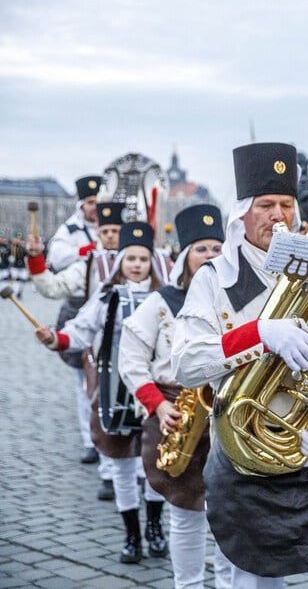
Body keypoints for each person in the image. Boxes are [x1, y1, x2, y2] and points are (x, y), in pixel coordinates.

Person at [171, 142, 308, 587]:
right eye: (265, 205)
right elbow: (184, 362)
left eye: (286, 204)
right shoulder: (215, 280)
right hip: (247, 455)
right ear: (241, 212)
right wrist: (259, 336)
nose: (278, 215)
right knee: (251, 581)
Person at [35, 221, 167, 563]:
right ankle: (132, 535)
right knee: (122, 464)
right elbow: (80, 330)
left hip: (156, 393)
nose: (137, 264)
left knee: (156, 463)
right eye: (131, 258)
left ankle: (154, 526)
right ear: (121, 262)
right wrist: (56, 339)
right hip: (114, 392)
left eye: (143, 258)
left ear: (151, 262)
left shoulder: (165, 298)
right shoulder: (107, 296)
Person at [118, 204, 233, 589]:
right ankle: (188, 584)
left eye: (218, 248)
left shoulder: (236, 297)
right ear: (185, 257)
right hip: (177, 414)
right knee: (185, 512)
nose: (211, 256)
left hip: (229, 415)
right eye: (202, 249)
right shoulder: (162, 301)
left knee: (230, 513)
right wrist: (159, 404)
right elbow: (131, 359)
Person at [27, 201, 125, 478]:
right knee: (96, 398)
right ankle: (105, 464)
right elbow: (54, 286)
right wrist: (36, 259)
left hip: (135, 349)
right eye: (104, 231)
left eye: (115, 230)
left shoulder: (140, 260)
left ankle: (138, 474)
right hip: (96, 345)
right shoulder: (88, 264)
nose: (109, 236)